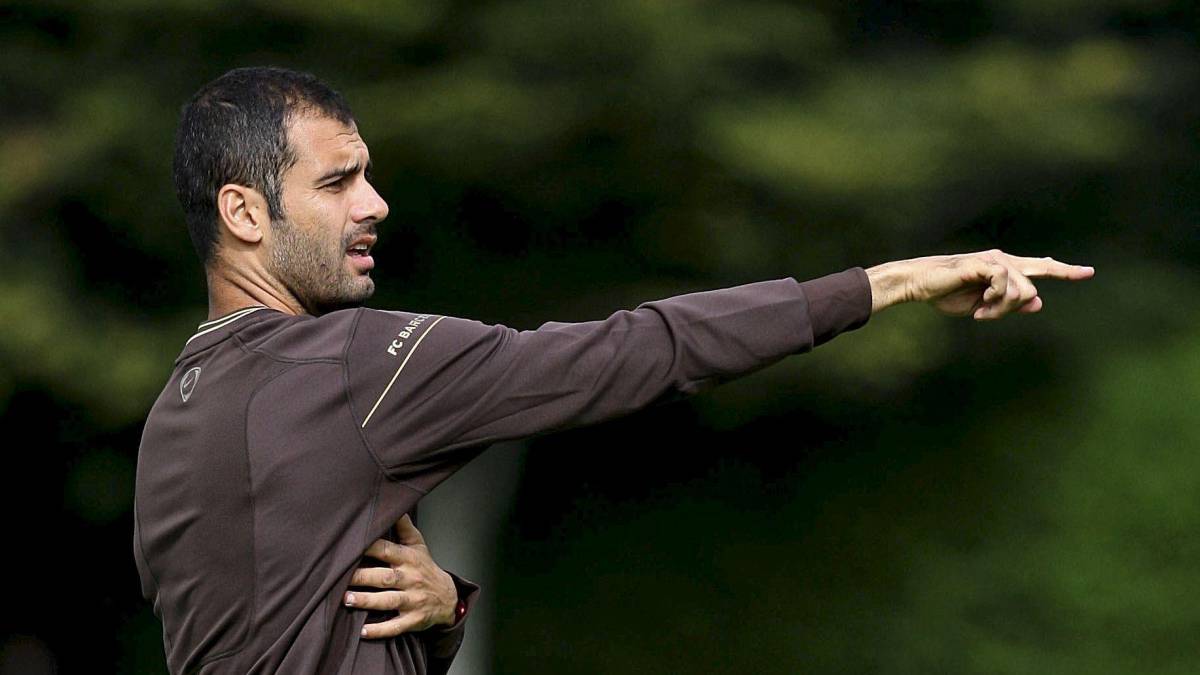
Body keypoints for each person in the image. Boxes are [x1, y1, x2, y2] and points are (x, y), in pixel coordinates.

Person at [133, 66, 1094, 675]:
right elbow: (638, 351)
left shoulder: (173, 421)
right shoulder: (347, 365)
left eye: (367, 173)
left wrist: (444, 609)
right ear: (245, 213)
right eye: (337, 182)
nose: (375, 203)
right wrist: (893, 281)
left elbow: (296, 627)